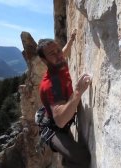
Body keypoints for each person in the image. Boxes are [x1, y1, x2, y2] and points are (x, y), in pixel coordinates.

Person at [36, 31, 91, 168]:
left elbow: (64, 52)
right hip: (54, 129)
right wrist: (78, 91)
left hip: (60, 123)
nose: (59, 55)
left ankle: (65, 162)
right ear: (44, 60)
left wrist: (71, 40)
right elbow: (60, 121)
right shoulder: (51, 84)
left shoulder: (59, 63)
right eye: (52, 54)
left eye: (58, 50)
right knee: (81, 158)